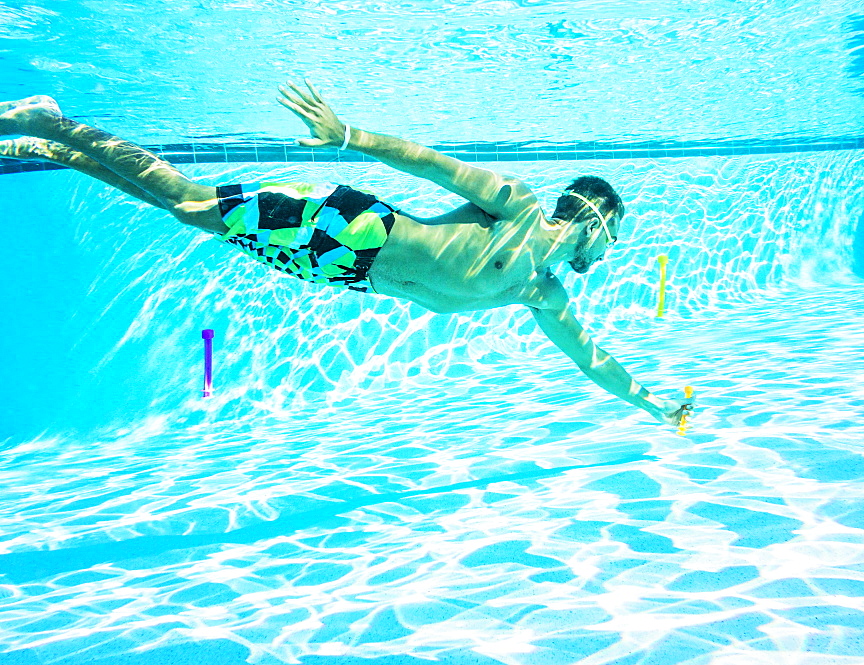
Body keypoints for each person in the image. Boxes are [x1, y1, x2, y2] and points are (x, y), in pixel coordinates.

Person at [0, 82, 690, 425]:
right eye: (613, 239)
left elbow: (592, 360)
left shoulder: (543, 294)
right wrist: (348, 133)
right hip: (355, 225)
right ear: (596, 217)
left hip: (339, 270)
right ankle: (48, 123)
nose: (608, 253)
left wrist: (655, 405)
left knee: (187, 217)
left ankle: (48, 142)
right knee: (186, 202)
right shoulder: (516, 203)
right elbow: (432, 166)